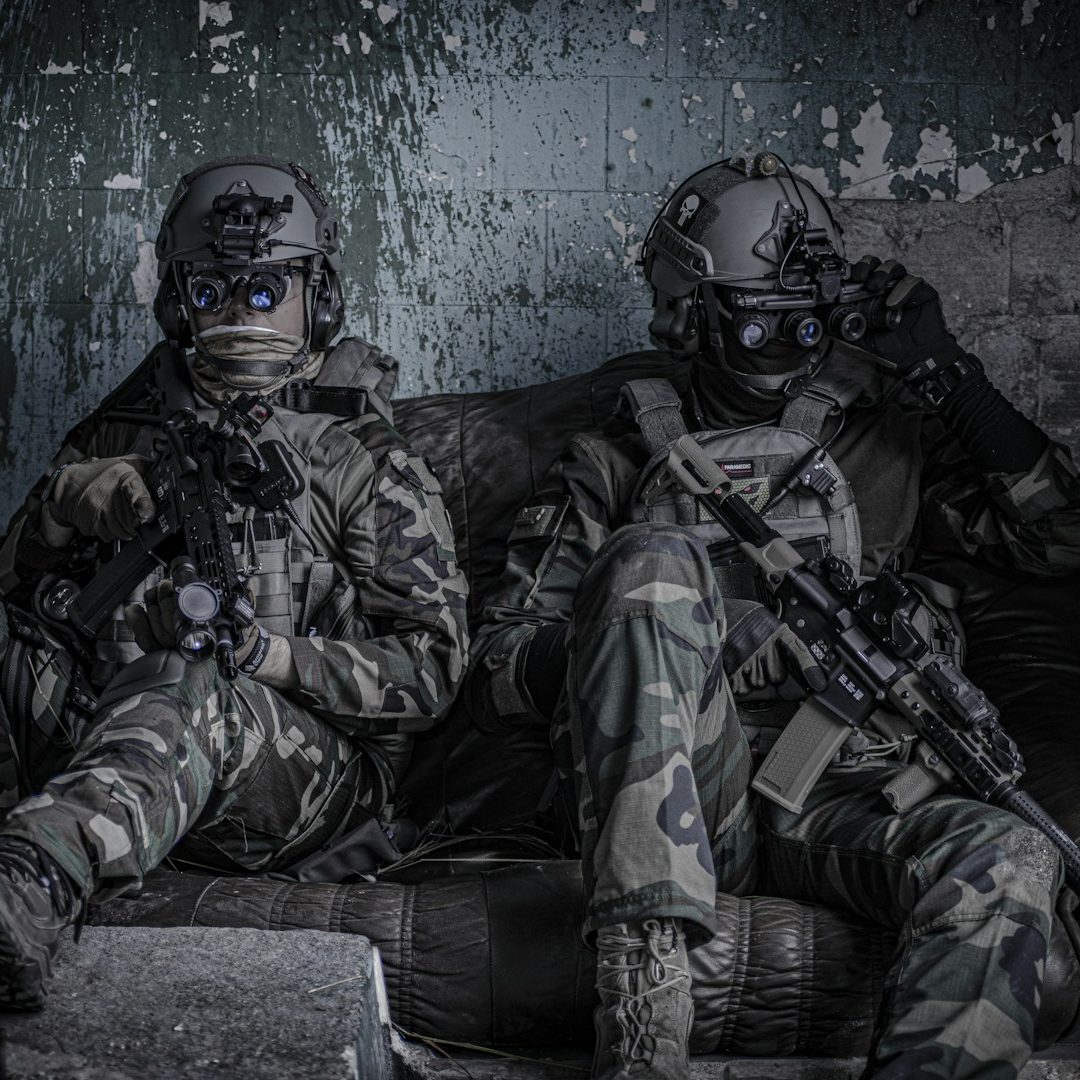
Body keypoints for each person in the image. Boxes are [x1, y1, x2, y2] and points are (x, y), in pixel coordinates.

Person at [467, 151, 1080, 1079]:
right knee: (653, 561)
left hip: (844, 790)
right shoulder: (615, 460)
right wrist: (669, 639)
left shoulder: (889, 439)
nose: (789, 338)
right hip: (680, 792)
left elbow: (1062, 542)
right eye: (760, 317)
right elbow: (500, 666)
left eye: (805, 316)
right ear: (686, 315)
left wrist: (952, 375)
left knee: (1013, 857)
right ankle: (643, 1019)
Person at [0, 156, 469, 1009]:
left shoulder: (361, 458)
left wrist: (274, 656)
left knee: (192, 676)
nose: (237, 313)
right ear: (177, 299)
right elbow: (14, 596)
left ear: (317, 297)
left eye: (264, 291)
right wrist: (62, 511)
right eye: (212, 290)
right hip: (108, 721)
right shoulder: (121, 426)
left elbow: (433, 669)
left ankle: (32, 878)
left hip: (300, 770)